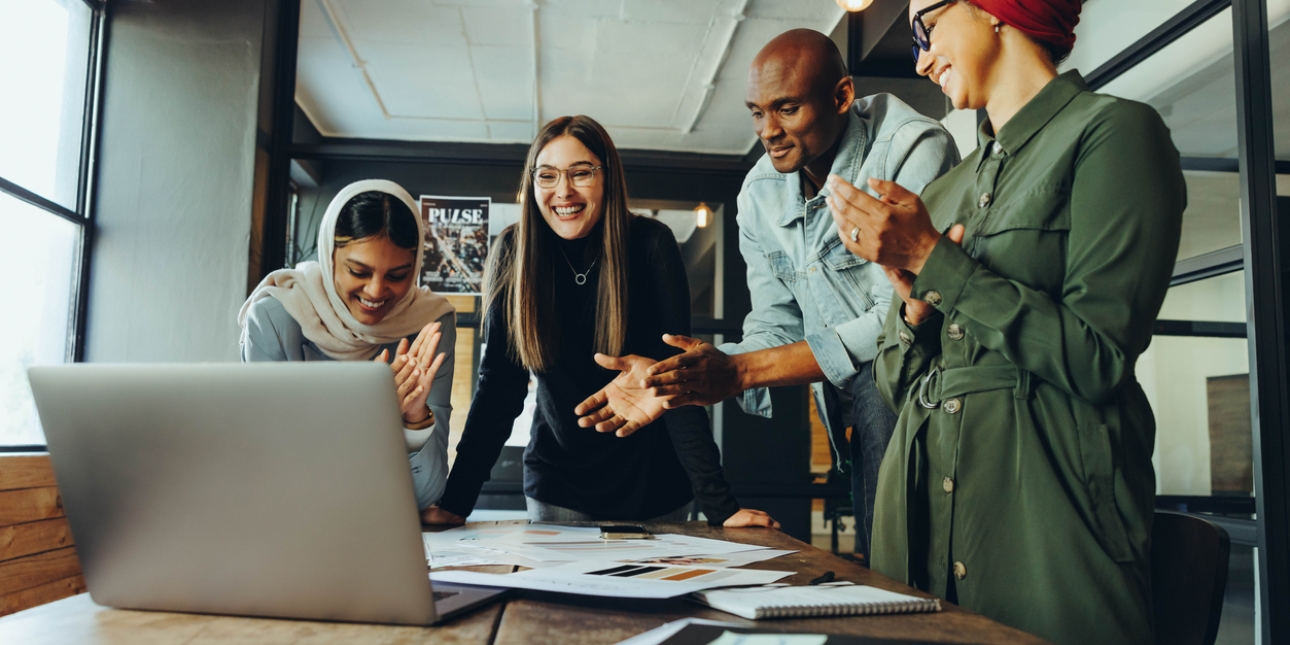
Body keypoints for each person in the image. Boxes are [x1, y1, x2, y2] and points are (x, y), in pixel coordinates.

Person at [823, 1, 1186, 643]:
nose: (920, 56)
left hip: (1045, 537)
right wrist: (913, 304)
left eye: (925, 28)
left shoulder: (1115, 133)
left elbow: (1098, 357)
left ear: (992, 9)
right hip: (915, 537)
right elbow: (893, 386)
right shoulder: (943, 191)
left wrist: (935, 260)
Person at [577, 29, 957, 561]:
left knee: (904, 556)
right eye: (757, 113)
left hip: (932, 384)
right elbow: (774, 322)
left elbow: (897, 323)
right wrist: (684, 374)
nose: (768, 131)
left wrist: (740, 373)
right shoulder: (759, 191)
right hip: (852, 398)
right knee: (882, 553)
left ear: (842, 97)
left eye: (786, 109)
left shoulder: (912, 148)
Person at [420, 116, 776, 529]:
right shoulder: (513, 253)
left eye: (581, 173)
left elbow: (675, 378)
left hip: (656, 487)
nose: (563, 191)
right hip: (559, 487)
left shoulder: (651, 245)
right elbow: (500, 385)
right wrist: (457, 500)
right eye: (547, 175)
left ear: (607, 177)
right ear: (532, 184)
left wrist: (721, 507)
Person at [239, 180, 457, 520]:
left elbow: (426, 495)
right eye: (359, 271)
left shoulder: (428, 323)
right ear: (329, 256)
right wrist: (372, 418)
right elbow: (271, 479)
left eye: (398, 275)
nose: (376, 290)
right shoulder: (276, 318)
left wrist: (415, 419)